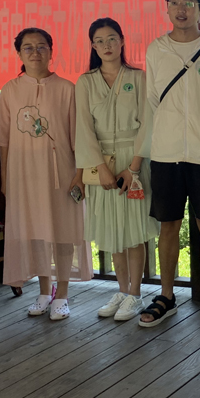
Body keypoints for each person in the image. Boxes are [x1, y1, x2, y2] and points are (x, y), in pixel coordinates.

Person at [139, 0, 200, 328]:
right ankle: (166, 295)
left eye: (188, 2)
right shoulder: (156, 50)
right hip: (166, 153)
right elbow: (152, 100)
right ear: (167, 8)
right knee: (168, 226)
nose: (181, 9)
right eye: (175, 2)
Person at [0, 27, 92, 320]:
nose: (35, 52)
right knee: (36, 231)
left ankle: (62, 294)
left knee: (62, 232)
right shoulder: (10, 89)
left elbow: (78, 138)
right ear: (19, 53)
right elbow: (3, 140)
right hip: (24, 174)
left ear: (51, 51)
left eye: (41, 47)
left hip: (61, 172)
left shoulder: (67, 89)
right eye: (28, 47)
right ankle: (44, 290)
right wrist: (6, 180)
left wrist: (79, 175)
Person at [75, 18, 160, 321]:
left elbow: (148, 122)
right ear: (93, 46)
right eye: (99, 41)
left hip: (134, 160)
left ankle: (136, 294)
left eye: (112, 38)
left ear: (122, 41)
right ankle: (122, 291)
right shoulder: (86, 82)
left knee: (134, 229)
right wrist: (100, 167)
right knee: (111, 229)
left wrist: (133, 167)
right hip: (101, 163)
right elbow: (83, 128)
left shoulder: (138, 78)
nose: (106, 45)